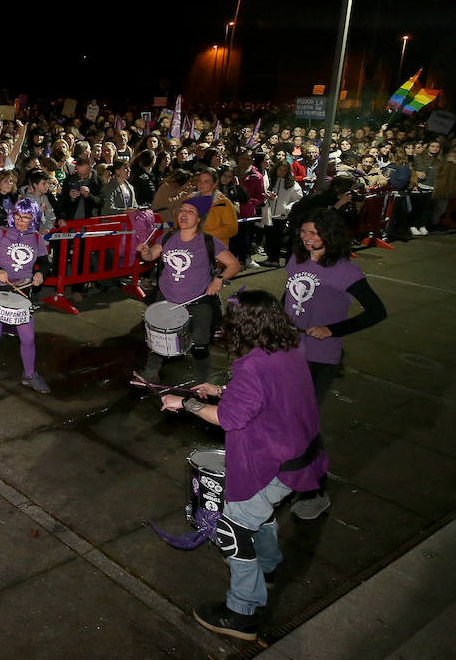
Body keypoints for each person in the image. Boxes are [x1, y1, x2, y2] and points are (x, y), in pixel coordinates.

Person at [159, 290, 328, 643]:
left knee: (233, 529)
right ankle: (267, 567)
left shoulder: (251, 365)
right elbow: (268, 393)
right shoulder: (289, 346)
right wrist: (224, 389)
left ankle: (241, 613)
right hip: (302, 454)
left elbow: (227, 419)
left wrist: (185, 404)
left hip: (275, 463)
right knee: (260, 514)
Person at [283, 209, 386, 520]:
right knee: (291, 418)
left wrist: (333, 330)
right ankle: (295, 474)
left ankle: (316, 491)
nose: (306, 237)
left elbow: (377, 312)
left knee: (304, 423)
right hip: (289, 352)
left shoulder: (346, 271)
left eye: (313, 233)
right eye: (303, 232)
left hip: (320, 358)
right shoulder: (296, 260)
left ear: (329, 235)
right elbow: (287, 299)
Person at [137, 196, 241, 383]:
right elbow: (152, 254)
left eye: (190, 211)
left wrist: (218, 279)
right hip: (166, 298)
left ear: (199, 218)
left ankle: (202, 382)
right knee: (159, 338)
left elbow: (233, 265)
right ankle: (151, 371)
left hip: (198, 301)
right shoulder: (167, 236)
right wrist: (145, 252)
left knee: (200, 345)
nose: (184, 214)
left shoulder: (208, 241)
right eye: (182, 210)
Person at [0, 198, 54, 392]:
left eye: (26, 218)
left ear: (34, 218)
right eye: (18, 216)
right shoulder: (2, 231)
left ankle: (29, 375)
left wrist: (40, 273)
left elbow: (45, 263)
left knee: (28, 337)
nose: (21, 221)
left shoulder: (36, 237)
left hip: (23, 289)